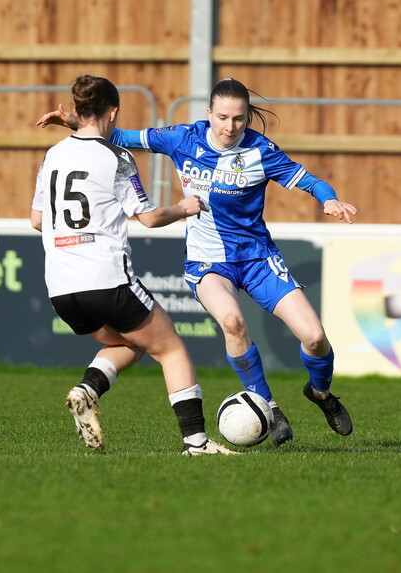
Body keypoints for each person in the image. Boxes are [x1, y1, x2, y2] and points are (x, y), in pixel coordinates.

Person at [37, 78, 359, 447]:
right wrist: (78, 122)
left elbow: (311, 181)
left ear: (247, 117)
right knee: (233, 323)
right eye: (222, 117)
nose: (230, 127)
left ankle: (320, 393)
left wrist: (329, 199)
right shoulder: (183, 138)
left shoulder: (261, 151)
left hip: (257, 257)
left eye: (238, 119)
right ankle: (269, 406)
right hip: (208, 262)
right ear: (208, 113)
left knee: (314, 337)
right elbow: (121, 136)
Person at [31, 75, 235, 456]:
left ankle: (88, 390)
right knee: (170, 348)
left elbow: (38, 220)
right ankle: (196, 442)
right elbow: (150, 218)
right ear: (113, 112)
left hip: (61, 289)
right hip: (106, 279)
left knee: (131, 343)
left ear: (76, 110)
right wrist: (184, 207)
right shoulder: (117, 158)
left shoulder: (53, 155)